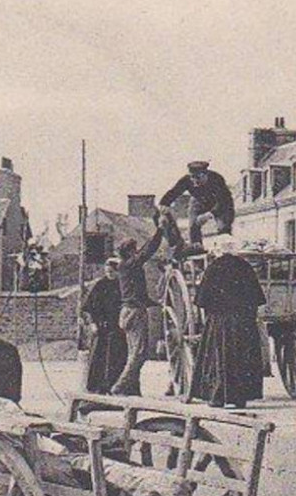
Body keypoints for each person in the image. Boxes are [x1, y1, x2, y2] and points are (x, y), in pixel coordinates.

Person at [191, 239, 266, 408]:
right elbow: (257, 298)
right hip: (243, 322)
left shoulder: (214, 267)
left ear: (220, 250)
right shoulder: (245, 267)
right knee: (243, 358)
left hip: (219, 322)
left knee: (218, 358)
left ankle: (217, 397)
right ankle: (240, 398)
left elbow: (202, 300)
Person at [110, 220, 167, 397]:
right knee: (139, 354)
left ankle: (132, 389)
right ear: (129, 252)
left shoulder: (124, 267)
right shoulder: (130, 264)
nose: (137, 252)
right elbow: (148, 250)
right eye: (134, 249)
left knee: (133, 352)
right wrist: (160, 230)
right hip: (135, 313)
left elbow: (136, 293)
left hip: (127, 311)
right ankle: (119, 387)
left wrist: (155, 304)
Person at [158, 160, 236, 256]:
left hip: (219, 202)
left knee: (223, 226)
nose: (195, 182)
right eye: (192, 178)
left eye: (198, 178)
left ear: (205, 174)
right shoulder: (186, 180)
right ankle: (196, 246)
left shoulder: (217, 179)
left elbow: (224, 201)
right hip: (198, 201)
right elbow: (174, 192)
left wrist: (209, 214)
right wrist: (164, 204)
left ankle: (225, 249)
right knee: (193, 223)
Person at [81, 257, 127, 395]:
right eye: (108, 272)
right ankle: (96, 386)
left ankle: (114, 385)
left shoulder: (122, 285)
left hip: (118, 327)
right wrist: (93, 323)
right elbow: (88, 306)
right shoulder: (100, 285)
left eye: (113, 272)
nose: (110, 274)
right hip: (102, 327)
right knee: (99, 356)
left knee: (116, 356)